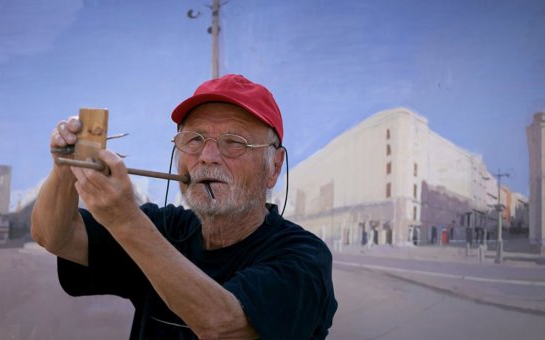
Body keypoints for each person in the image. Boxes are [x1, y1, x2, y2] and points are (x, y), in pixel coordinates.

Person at [31, 74, 338, 339]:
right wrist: (64, 168)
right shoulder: (163, 229)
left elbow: (222, 326)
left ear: (274, 167)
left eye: (233, 142)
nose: (207, 156)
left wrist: (126, 223)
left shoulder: (303, 257)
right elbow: (55, 236)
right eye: (194, 139)